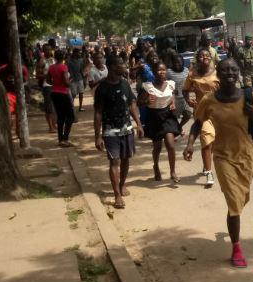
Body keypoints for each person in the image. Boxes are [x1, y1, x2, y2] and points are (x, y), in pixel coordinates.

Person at [183, 59, 253, 268]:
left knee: (241, 198)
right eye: (225, 69)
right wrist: (190, 144)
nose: (229, 72)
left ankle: (232, 225)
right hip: (222, 156)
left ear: (238, 73)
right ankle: (236, 248)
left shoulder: (248, 97)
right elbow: (198, 123)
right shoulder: (209, 100)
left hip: (246, 155)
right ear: (218, 74)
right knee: (233, 202)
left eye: (233, 69)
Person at [94, 56, 143, 210]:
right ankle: (117, 195)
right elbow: (98, 113)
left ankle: (122, 185)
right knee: (114, 161)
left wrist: (139, 125)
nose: (124, 66)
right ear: (113, 66)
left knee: (126, 159)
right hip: (110, 131)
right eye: (121, 64)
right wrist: (97, 136)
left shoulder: (125, 84)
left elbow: (132, 104)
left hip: (126, 129)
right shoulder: (102, 88)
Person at [184, 48, 220, 188]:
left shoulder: (218, 72)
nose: (204, 57)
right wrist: (188, 100)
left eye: (206, 55)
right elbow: (185, 89)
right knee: (206, 139)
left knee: (214, 141)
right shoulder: (192, 74)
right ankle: (209, 172)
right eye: (201, 56)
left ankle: (206, 165)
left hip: (218, 111)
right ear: (197, 59)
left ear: (210, 57)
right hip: (202, 111)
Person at [143, 62, 181, 183]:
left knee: (170, 145)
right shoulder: (148, 86)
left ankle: (173, 171)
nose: (162, 72)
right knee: (157, 147)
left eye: (164, 70)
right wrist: (147, 100)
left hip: (167, 116)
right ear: (154, 72)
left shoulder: (171, 84)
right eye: (159, 70)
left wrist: (173, 102)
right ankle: (156, 166)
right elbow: (139, 101)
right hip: (154, 116)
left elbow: (173, 95)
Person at [48, 49, 75, 147]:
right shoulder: (63, 67)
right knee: (70, 116)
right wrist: (70, 81)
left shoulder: (51, 67)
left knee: (61, 117)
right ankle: (65, 138)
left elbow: (48, 80)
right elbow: (66, 83)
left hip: (54, 92)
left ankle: (61, 139)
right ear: (63, 57)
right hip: (63, 93)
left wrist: (56, 83)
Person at [35, 46, 56, 134]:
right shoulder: (41, 61)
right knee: (48, 108)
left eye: (49, 49)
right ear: (43, 51)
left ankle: (54, 125)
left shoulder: (54, 60)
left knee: (54, 107)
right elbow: (37, 76)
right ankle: (50, 127)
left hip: (56, 86)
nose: (48, 51)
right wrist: (48, 76)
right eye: (46, 50)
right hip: (47, 86)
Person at [168, 53, 191, 128]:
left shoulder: (186, 70)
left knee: (188, 114)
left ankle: (179, 127)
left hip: (184, 97)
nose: (177, 64)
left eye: (179, 62)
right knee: (174, 117)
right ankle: (175, 130)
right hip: (174, 98)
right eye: (175, 62)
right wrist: (171, 90)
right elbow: (164, 83)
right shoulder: (169, 72)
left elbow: (189, 82)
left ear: (183, 62)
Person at [67, 48, 86, 112]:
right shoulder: (69, 61)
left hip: (79, 78)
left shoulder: (81, 60)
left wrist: (84, 79)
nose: (79, 54)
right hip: (72, 80)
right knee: (73, 94)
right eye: (78, 52)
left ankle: (80, 107)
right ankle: (71, 107)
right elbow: (67, 70)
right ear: (74, 53)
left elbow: (81, 70)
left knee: (81, 93)